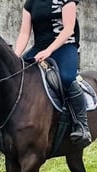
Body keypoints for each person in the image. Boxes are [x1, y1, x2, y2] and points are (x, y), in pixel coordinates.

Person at [14, 0, 91, 147]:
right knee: (17, 74)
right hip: (39, 48)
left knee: (66, 78)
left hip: (65, 46)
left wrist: (49, 50)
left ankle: (82, 125)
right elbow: (24, 33)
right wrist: (15, 58)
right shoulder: (30, 3)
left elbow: (69, 29)